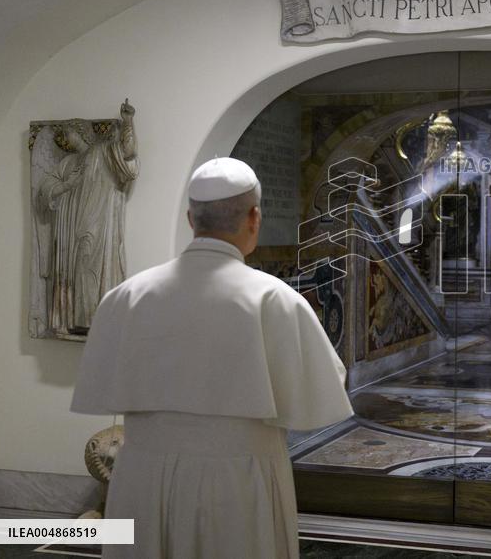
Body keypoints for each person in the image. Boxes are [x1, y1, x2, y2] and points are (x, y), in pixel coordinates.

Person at [71, 157, 354, 557]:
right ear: (254, 218)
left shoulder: (126, 297)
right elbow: (318, 396)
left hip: (141, 478)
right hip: (238, 482)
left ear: (191, 219)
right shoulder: (275, 301)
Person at [38, 101, 138, 335]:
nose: (64, 140)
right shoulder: (68, 163)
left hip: (96, 224)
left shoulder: (103, 152)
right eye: (60, 139)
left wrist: (128, 121)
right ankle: (76, 320)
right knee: (76, 269)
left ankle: (93, 321)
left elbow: (129, 151)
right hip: (70, 231)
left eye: (67, 134)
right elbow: (46, 188)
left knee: (90, 266)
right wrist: (65, 186)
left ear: (81, 132)